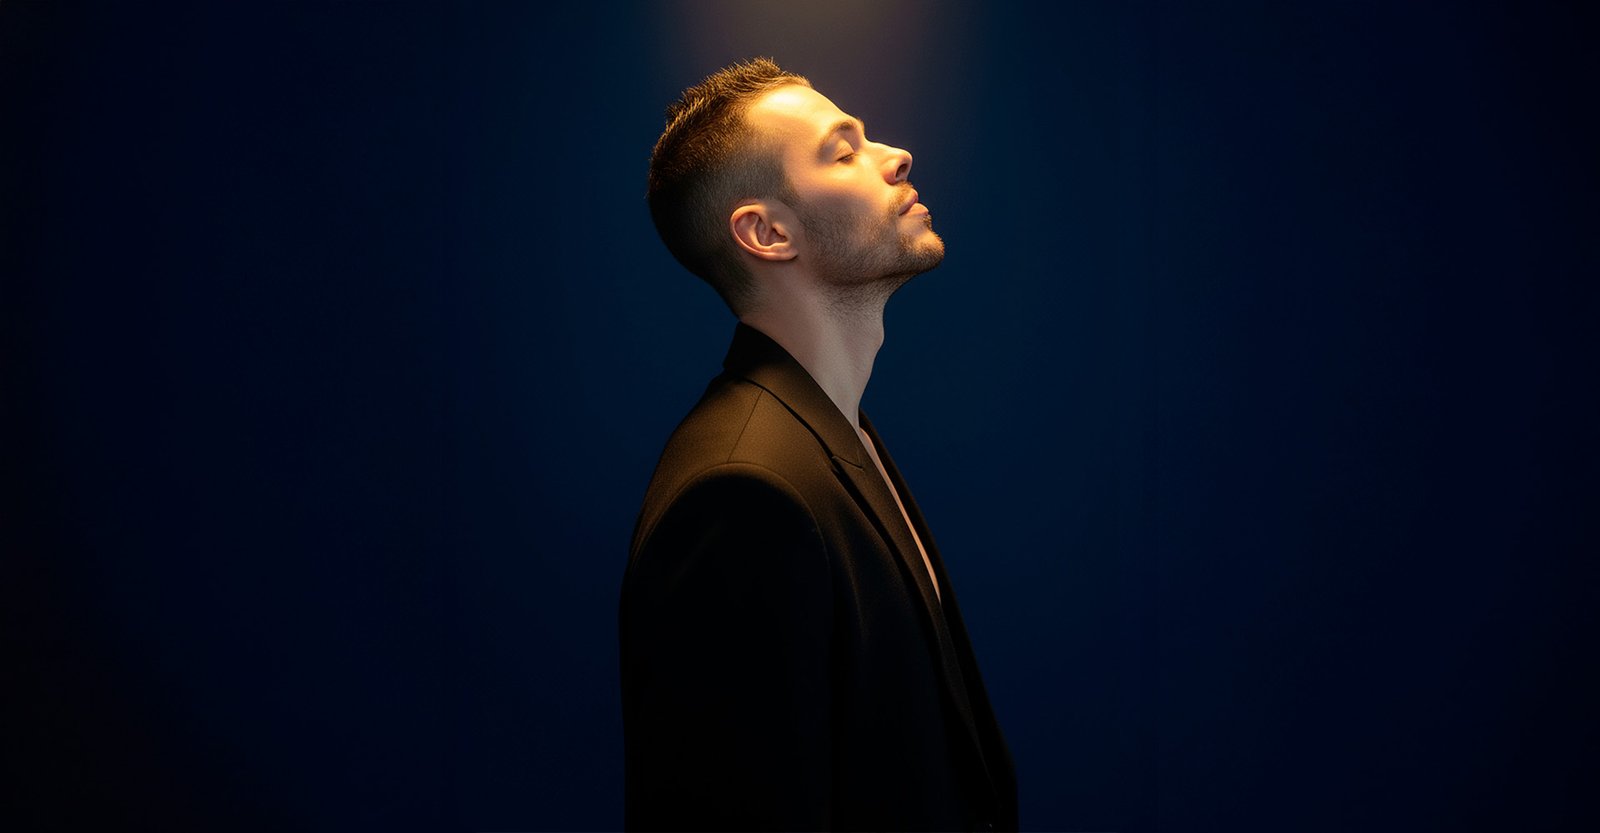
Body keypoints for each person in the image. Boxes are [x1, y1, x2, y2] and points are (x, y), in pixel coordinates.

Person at [620, 58, 1017, 832]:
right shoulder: (744, 491)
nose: (896, 155)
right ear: (768, 233)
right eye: (843, 151)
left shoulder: (835, 437)